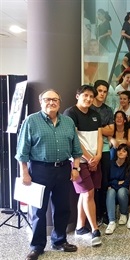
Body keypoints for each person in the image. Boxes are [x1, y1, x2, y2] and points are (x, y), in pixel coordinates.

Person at [15, 89, 82, 260]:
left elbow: (76, 150)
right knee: (38, 210)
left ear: (59, 102)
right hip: (39, 170)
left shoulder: (67, 122)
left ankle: (59, 241)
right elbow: (22, 151)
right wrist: (25, 173)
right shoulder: (31, 121)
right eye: (47, 99)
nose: (51, 102)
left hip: (63, 169)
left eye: (55, 100)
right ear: (41, 101)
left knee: (62, 208)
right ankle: (37, 246)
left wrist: (75, 168)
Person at [63, 85, 102, 247]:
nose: (88, 99)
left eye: (91, 96)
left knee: (85, 194)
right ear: (77, 96)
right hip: (78, 161)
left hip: (94, 160)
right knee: (88, 193)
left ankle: (79, 227)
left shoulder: (95, 114)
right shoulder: (70, 113)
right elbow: (75, 140)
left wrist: (98, 156)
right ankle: (94, 230)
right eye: (85, 95)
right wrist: (88, 157)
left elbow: (99, 136)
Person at [90, 80, 114, 226]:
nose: (102, 94)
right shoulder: (88, 108)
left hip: (104, 150)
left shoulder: (108, 110)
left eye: (105, 91)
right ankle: (94, 214)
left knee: (103, 183)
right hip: (89, 151)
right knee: (92, 185)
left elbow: (111, 131)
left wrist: (97, 128)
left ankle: (103, 213)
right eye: (99, 91)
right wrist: (102, 127)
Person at [105, 144, 130, 235]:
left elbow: (126, 183)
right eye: (119, 150)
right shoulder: (110, 164)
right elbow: (107, 180)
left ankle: (123, 214)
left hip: (124, 192)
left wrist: (113, 183)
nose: (121, 152)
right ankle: (112, 221)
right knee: (110, 192)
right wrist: (117, 183)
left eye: (124, 151)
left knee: (121, 191)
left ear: (127, 154)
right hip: (112, 191)